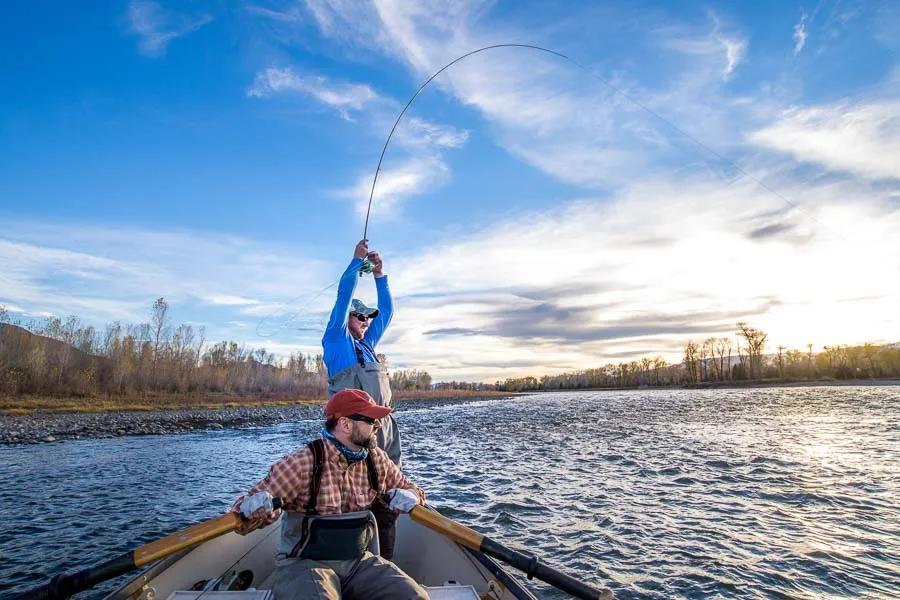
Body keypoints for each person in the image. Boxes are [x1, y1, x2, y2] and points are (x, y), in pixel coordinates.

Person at [232, 389, 428, 600]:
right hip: (303, 564)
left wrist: (413, 496)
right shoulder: (302, 462)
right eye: (371, 421)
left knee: (415, 597)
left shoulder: (376, 459)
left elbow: (411, 488)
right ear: (345, 424)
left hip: (357, 561)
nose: (377, 427)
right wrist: (251, 509)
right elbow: (245, 515)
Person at [322, 239, 400, 466]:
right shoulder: (337, 338)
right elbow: (344, 296)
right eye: (361, 316)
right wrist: (357, 260)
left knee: (394, 482)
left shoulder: (368, 344)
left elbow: (387, 311)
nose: (367, 322)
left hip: (383, 424)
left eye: (368, 317)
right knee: (358, 482)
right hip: (354, 428)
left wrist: (379, 274)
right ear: (348, 317)